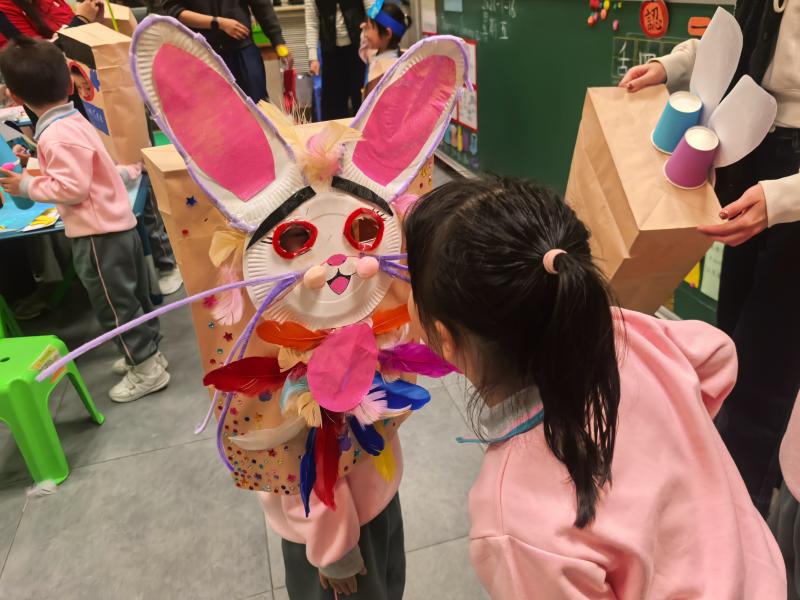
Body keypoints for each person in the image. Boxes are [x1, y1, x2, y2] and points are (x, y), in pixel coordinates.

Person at [404, 177, 784, 599]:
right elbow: (717, 357)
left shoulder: (513, 521)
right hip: (758, 572)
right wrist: (675, 436)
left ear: (445, 339)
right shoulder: (629, 335)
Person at [619, 0, 800, 518]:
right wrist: (671, 65)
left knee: (768, 364)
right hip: (749, 143)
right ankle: (716, 489)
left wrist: (783, 198)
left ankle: (735, 521)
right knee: (732, 344)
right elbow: (732, 41)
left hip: (791, 176)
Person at [0, 37, 170, 402]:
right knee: (134, 299)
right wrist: (35, 157)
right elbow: (88, 170)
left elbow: (72, 188)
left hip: (97, 237)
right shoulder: (72, 120)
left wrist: (26, 185)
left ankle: (145, 368)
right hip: (120, 226)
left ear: (13, 96)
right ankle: (148, 353)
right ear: (68, 84)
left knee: (114, 307)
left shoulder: (55, 135)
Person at [161, 0, 290, 103]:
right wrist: (218, 23)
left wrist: (278, 41)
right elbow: (176, 11)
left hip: (243, 49)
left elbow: (261, 5)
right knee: (218, 113)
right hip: (205, 54)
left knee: (259, 107)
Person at [305, 0, 370, 120]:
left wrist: (372, 40)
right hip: (330, 53)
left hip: (359, 50)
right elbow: (312, 22)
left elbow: (372, 11)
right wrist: (313, 57)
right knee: (332, 108)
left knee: (362, 104)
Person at [0, 0, 102, 48]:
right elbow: (37, 55)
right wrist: (81, 19)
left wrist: (93, 22)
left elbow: (71, 27)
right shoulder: (4, 9)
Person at [360, 0, 410, 96]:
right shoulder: (391, 54)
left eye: (369, 28)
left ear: (387, 33)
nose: (365, 34)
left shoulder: (383, 74)